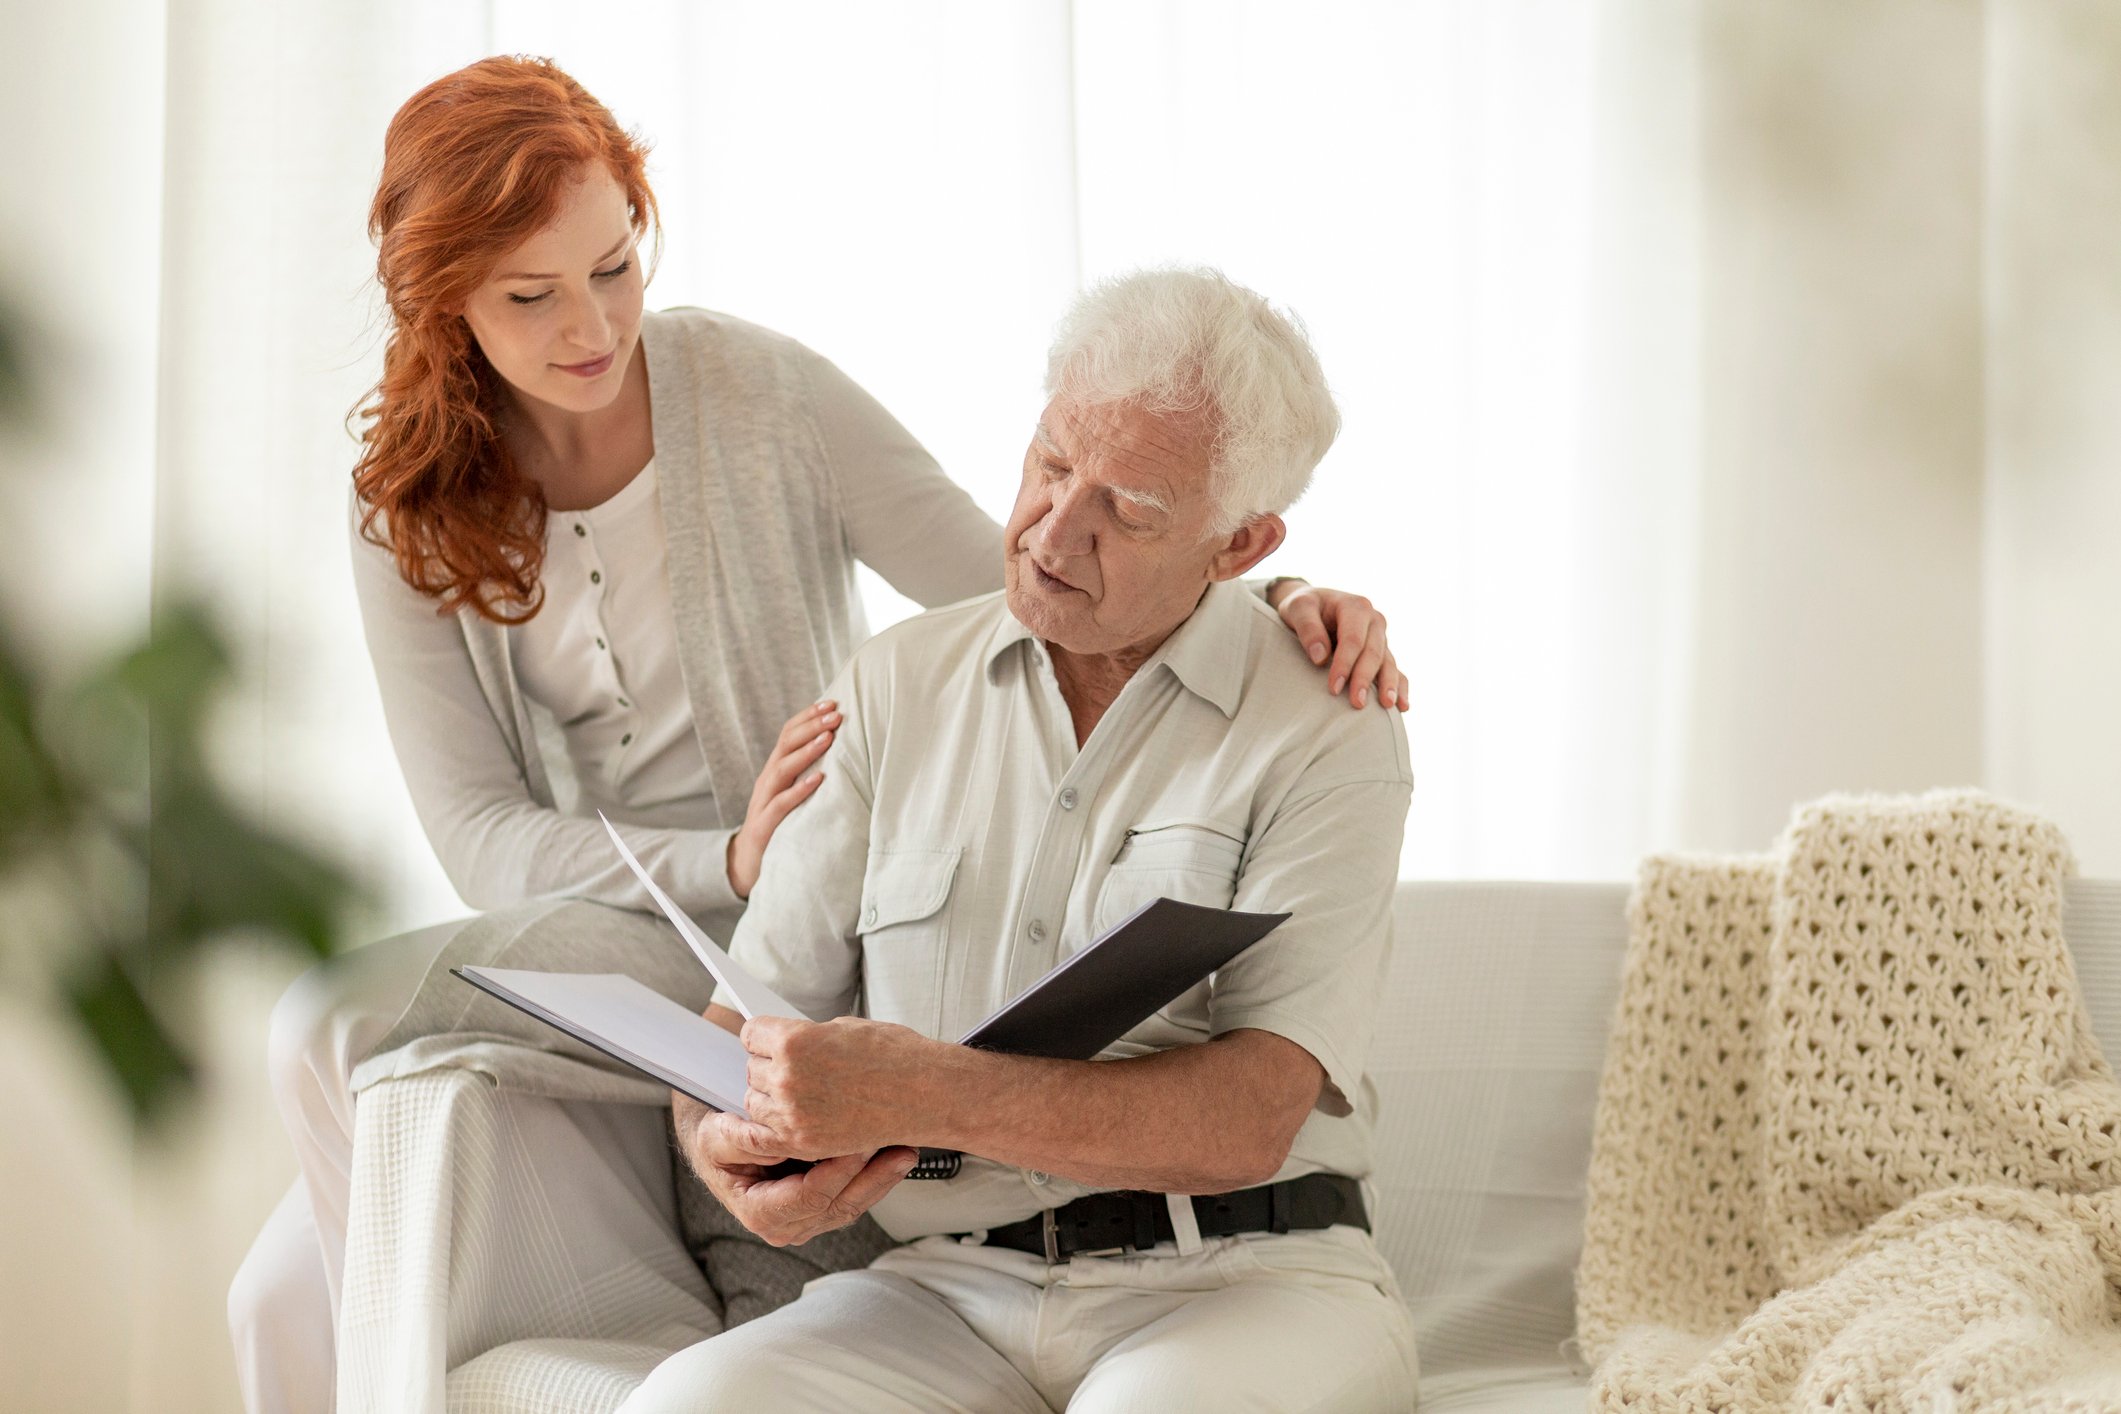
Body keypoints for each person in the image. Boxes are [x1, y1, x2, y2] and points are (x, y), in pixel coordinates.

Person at [224, 54, 1407, 1414]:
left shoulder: (763, 393)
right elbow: (481, 833)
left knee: (297, 1231)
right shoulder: (407, 503)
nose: (594, 325)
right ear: (442, 304)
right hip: (646, 909)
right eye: (531, 294)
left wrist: (1263, 606)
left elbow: (1021, 578)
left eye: (616, 264)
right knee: (306, 1113)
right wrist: (730, 858)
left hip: (813, 906)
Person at [636, 266, 1417, 1412]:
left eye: (1130, 510)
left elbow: (1253, 1117)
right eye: (1052, 464)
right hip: (946, 1290)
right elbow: (736, 1021)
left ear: (1240, 543)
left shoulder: (1328, 723)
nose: (1055, 528)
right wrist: (730, 1153)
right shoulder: (895, 685)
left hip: (1248, 1278)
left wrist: (924, 1090)